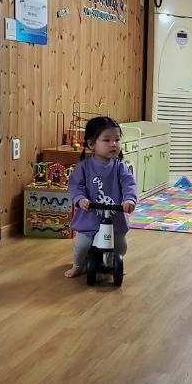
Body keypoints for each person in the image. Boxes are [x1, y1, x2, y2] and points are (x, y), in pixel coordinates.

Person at [65, 116, 137, 278]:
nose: (113, 144)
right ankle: (78, 266)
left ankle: (115, 262)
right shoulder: (83, 167)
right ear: (91, 144)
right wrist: (80, 199)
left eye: (117, 140)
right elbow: (75, 185)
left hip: (115, 216)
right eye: (107, 140)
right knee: (82, 246)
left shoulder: (120, 167)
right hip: (89, 217)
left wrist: (129, 199)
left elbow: (129, 183)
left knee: (121, 245)